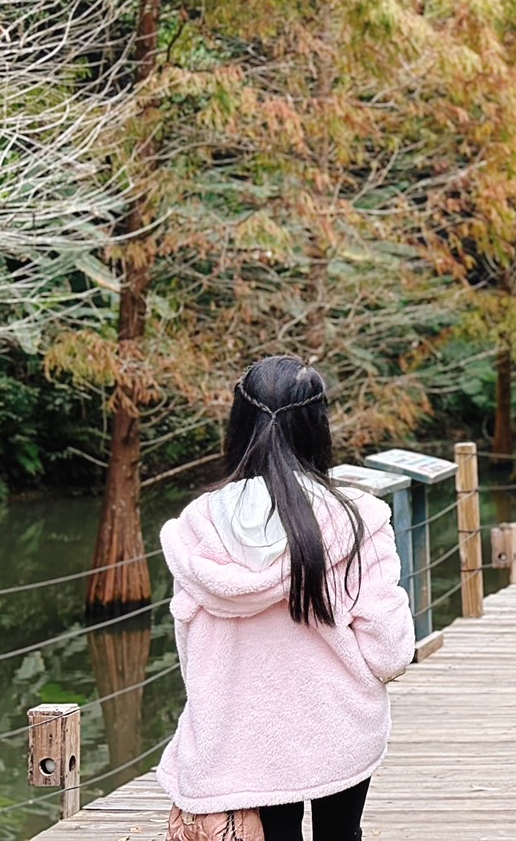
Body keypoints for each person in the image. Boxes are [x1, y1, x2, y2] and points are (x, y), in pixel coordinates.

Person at [157, 355, 415, 841]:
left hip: (241, 741)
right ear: (318, 424)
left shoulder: (199, 526)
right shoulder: (355, 518)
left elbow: (190, 651)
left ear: (238, 423)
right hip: (338, 727)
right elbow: (391, 653)